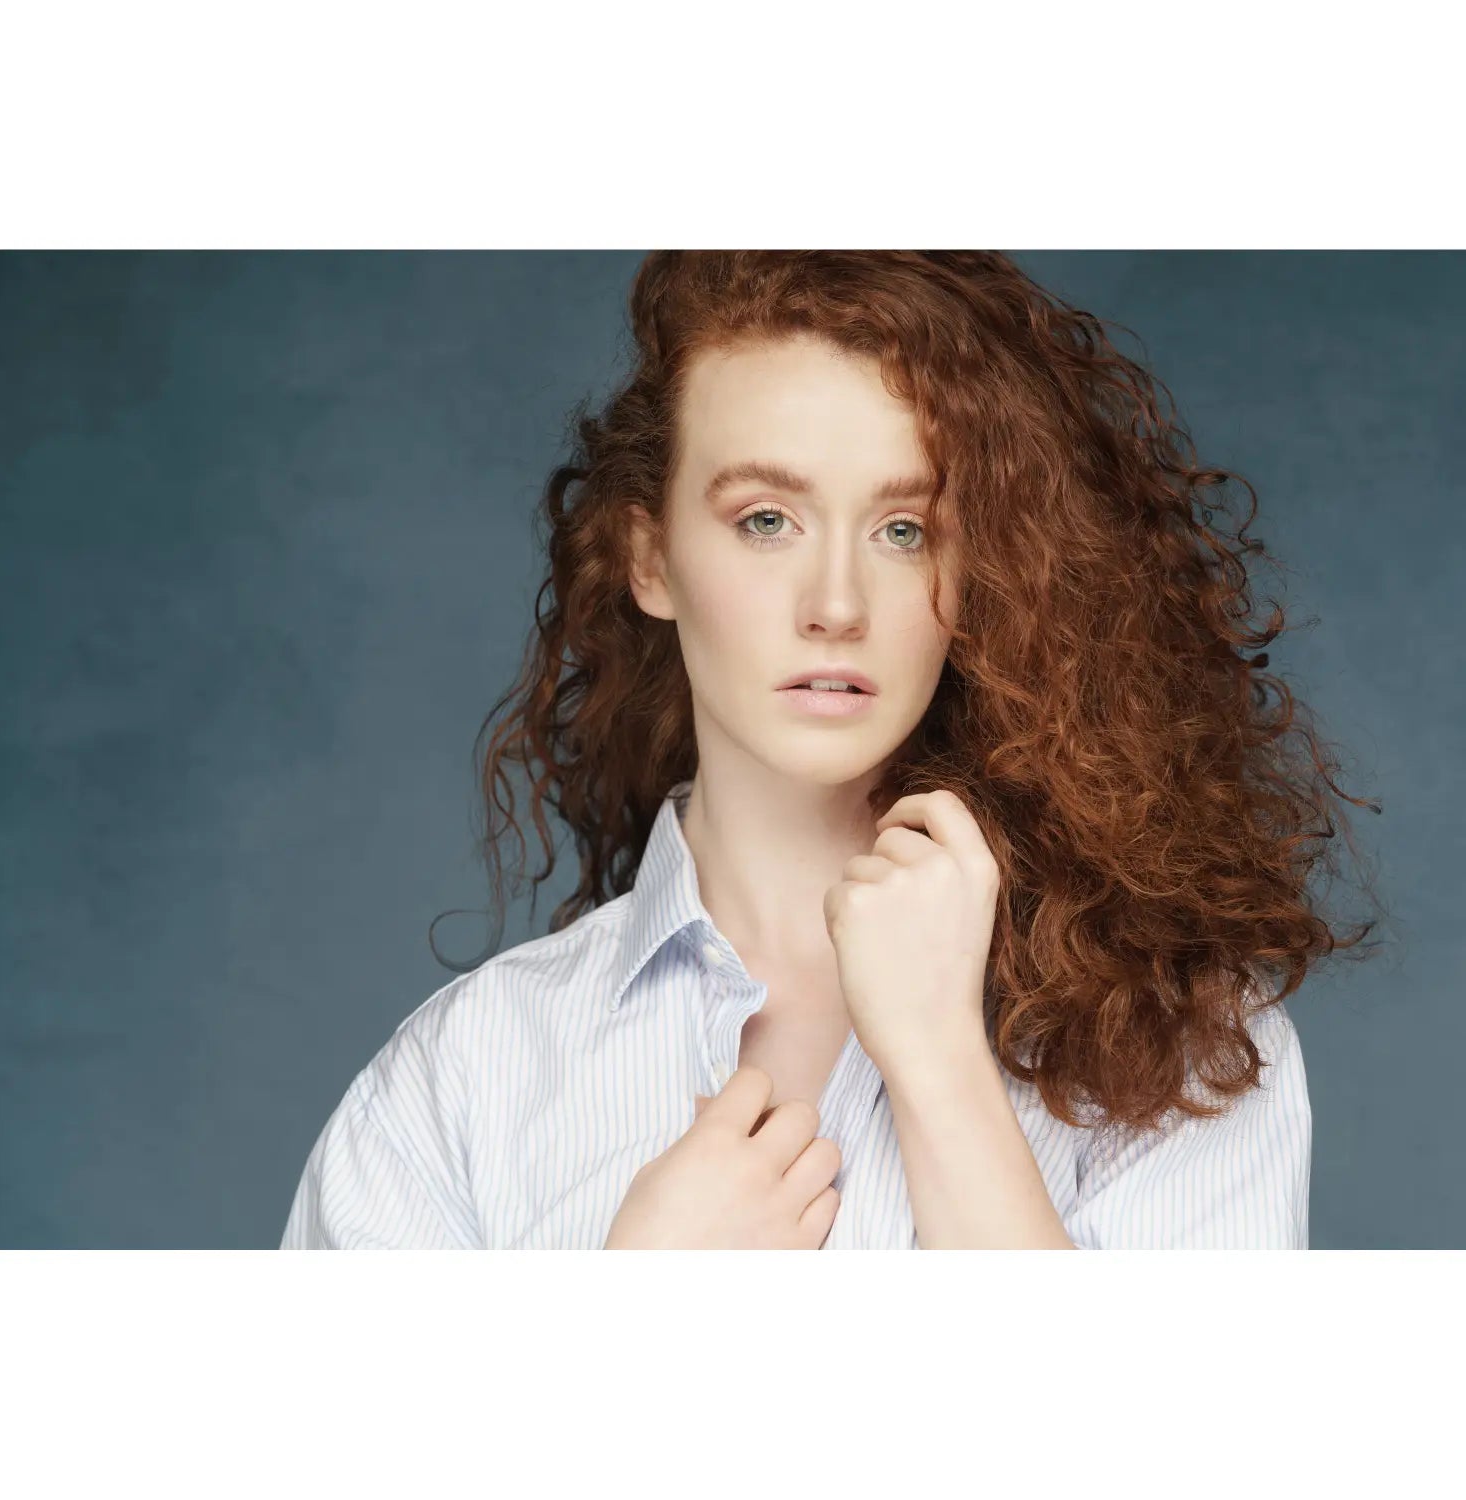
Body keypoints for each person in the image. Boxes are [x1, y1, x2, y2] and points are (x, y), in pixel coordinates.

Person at [280, 251, 1381, 1250]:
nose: (838, 604)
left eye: (905, 530)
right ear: (650, 558)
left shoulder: (1185, 1049)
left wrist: (944, 1069)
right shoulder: (462, 1083)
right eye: (767, 519)